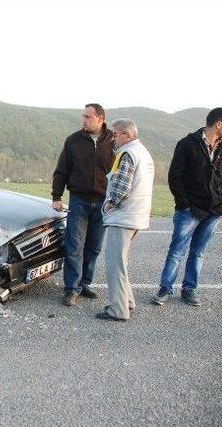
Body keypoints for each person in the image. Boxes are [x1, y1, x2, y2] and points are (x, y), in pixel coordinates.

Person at [152, 108, 222, 307]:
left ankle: (189, 290)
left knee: (198, 252)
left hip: (213, 211)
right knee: (177, 251)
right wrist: (185, 204)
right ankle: (165, 289)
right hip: (189, 210)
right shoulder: (187, 144)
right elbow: (175, 177)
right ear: (218, 124)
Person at [52, 103, 114, 306]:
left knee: (94, 246)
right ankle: (71, 289)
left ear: (100, 118)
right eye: (83, 116)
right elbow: (61, 170)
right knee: (74, 246)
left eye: (88, 117)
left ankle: (84, 283)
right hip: (78, 201)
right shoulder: (73, 140)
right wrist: (57, 196)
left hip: (104, 202)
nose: (83, 120)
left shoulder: (113, 140)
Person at [96, 119, 154, 321]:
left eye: (115, 134)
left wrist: (107, 205)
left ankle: (118, 310)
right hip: (137, 215)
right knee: (121, 263)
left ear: (128, 135)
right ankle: (127, 302)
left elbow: (121, 187)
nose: (112, 138)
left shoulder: (126, 154)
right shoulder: (143, 152)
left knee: (114, 264)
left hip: (123, 216)